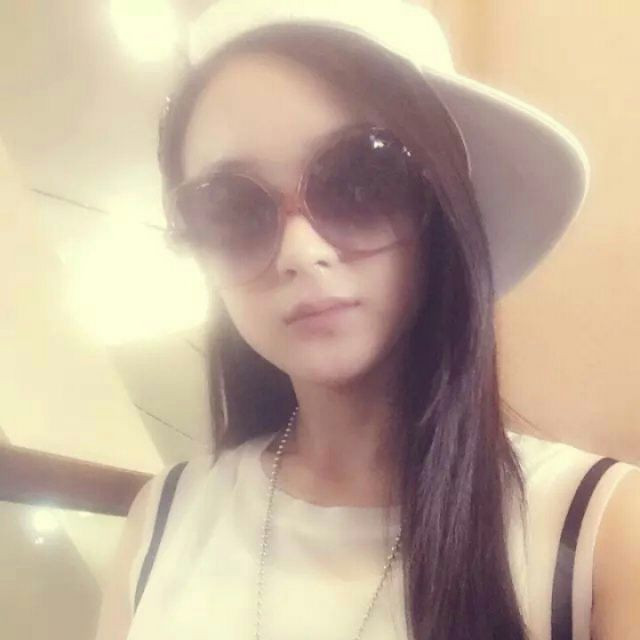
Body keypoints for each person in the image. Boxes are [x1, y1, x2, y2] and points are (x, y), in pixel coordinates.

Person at [95, 2, 640, 639]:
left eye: (360, 181)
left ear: (441, 205)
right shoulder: (163, 521)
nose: (301, 252)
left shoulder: (600, 532)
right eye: (232, 209)